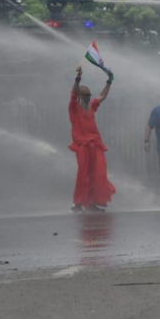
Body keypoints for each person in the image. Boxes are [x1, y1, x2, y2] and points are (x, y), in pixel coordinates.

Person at [69, 66, 116, 212]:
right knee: (83, 174)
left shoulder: (91, 106)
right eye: (84, 95)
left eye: (89, 95)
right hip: (83, 145)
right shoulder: (74, 108)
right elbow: (73, 92)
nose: (87, 97)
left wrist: (109, 81)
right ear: (79, 96)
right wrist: (78, 78)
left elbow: (102, 96)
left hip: (95, 145)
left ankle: (92, 202)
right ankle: (78, 203)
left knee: (98, 173)